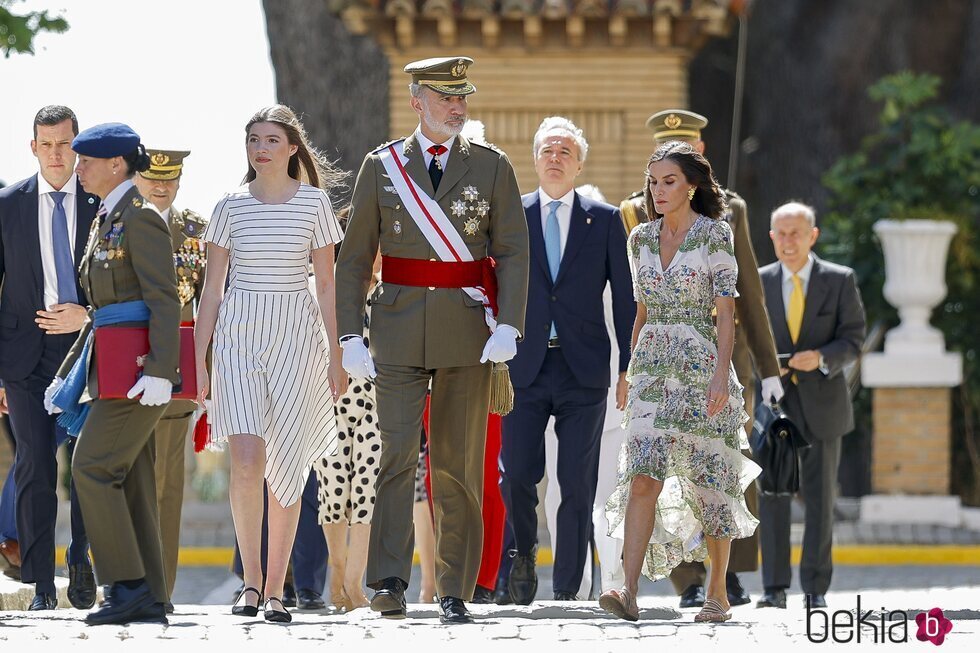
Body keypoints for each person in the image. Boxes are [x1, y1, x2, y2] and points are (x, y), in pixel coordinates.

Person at [335, 56, 528, 624]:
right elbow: (354, 261)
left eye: (462, 98)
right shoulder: (383, 165)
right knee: (394, 456)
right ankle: (389, 579)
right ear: (417, 99)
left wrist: (510, 324)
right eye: (446, 98)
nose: (458, 107)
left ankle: (453, 587)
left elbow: (514, 251)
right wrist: (349, 334)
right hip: (393, 329)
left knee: (458, 464)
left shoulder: (492, 166)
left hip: (468, 332)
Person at [619, 109, 783, 608]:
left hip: (699, 362)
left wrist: (720, 379)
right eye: (652, 183)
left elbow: (730, 313)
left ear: (690, 185)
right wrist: (629, 371)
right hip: (650, 369)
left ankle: (717, 590)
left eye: (668, 181)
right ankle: (627, 591)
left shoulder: (716, 233)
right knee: (643, 475)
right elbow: (641, 312)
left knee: (710, 480)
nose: (657, 191)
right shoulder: (639, 238)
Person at [194, 104, 347, 624]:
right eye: (253, 139)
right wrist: (200, 358)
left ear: (292, 148)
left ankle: (278, 590)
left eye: (272, 140)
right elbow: (211, 291)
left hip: (298, 338)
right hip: (237, 335)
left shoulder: (315, 204)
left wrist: (337, 353)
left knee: (287, 465)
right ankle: (251, 585)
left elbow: (327, 284)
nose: (261, 148)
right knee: (243, 459)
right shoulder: (228, 206)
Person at [45, 122, 181, 625]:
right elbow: (102, 307)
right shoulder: (110, 216)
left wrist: (163, 369)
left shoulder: (140, 218)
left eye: (86, 160)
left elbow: (163, 298)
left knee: (92, 467)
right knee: (133, 478)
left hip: (139, 369)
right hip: (115, 367)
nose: (78, 169)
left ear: (117, 164)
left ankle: (125, 586)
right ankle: (150, 593)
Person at [501, 117, 633, 604]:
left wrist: (625, 370)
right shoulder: (512, 214)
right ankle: (523, 555)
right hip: (524, 367)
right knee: (517, 472)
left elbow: (624, 298)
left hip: (584, 371)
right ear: (535, 159)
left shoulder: (606, 219)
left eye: (565, 151)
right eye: (547, 150)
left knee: (576, 483)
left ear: (579, 163)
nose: (555, 157)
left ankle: (565, 590)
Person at [0, 105, 98, 611]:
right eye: (47, 144)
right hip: (22, 358)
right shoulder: (7, 205)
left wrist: (88, 315)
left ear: (77, 147)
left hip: (85, 353)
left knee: (85, 465)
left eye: (65, 144)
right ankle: (41, 585)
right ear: (33, 147)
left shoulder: (101, 202)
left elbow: (118, 283)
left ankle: (81, 556)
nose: (57, 154)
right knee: (34, 466)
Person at [756, 201, 865, 610]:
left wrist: (820, 358)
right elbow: (745, 340)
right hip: (775, 405)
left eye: (795, 233)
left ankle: (815, 588)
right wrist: (767, 368)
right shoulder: (759, 282)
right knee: (773, 494)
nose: (788, 241)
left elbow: (853, 338)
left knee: (820, 500)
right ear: (771, 238)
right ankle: (773, 589)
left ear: (812, 235)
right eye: (780, 234)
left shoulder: (839, 280)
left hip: (824, 405)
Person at [133, 148, 207, 612]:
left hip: (176, 369)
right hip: (125, 366)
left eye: (170, 178)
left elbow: (209, 304)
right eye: (152, 177)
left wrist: (208, 372)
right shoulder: (114, 223)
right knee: (121, 478)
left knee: (166, 484)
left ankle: (160, 590)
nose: (161, 186)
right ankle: (125, 582)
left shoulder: (195, 231)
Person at [313, 247, 381, 612]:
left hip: (375, 408)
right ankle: (337, 574)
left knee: (367, 493)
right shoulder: (329, 295)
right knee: (334, 493)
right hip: (330, 407)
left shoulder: (387, 294)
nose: (374, 260)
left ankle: (355, 584)